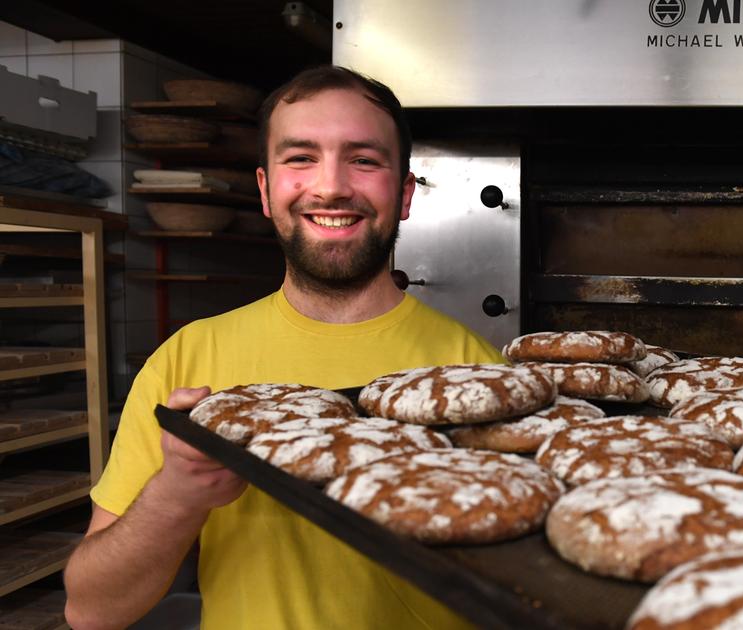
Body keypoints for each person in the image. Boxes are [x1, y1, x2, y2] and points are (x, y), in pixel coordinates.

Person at [63, 65, 501, 630]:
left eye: (364, 160)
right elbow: (92, 611)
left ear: (406, 193)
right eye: (300, 158)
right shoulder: (188, 362)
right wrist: (177, 495)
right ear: (267, 191)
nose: (331, 186)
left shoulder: (478, 375)